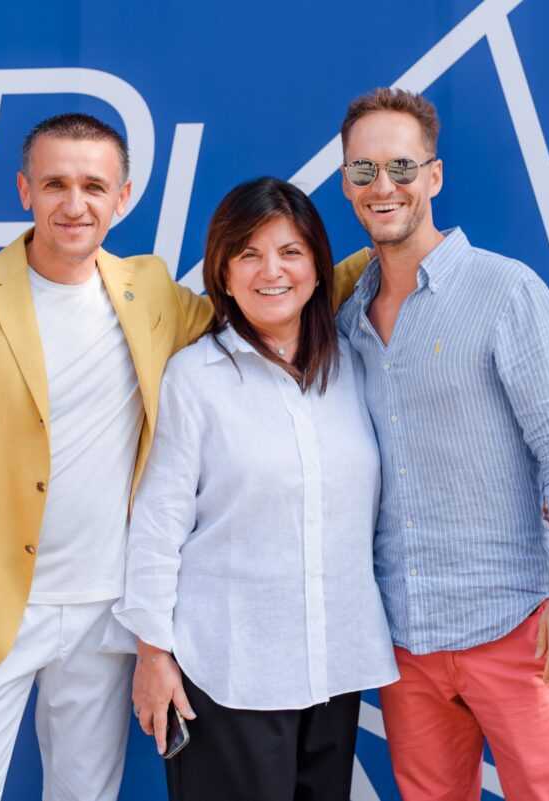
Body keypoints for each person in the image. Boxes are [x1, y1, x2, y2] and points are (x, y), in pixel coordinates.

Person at [0, 112, 216, 801]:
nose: (75, 204)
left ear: (122, 198)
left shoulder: (150, 291)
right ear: (24, 190)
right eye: (55, 183)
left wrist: (378, 263)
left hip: (105, 611)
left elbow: (265, 307)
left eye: (94, 186)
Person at [335, 88, 549, 801]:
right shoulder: (345, 320)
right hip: (406, 637)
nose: (383, 185)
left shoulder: (507, 292)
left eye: (401, 166)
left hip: (516, 628)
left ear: (434, 175)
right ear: (346, 183)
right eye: (364, 170)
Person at [113, 177, 398, 801]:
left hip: (334, 665)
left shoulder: (353, 366)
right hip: (227, 672)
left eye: (291, 252)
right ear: (223, 271)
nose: (272, 271)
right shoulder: (194, 378)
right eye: (249, 254)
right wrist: (153, 655)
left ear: (318, 268)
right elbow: (157, 525)